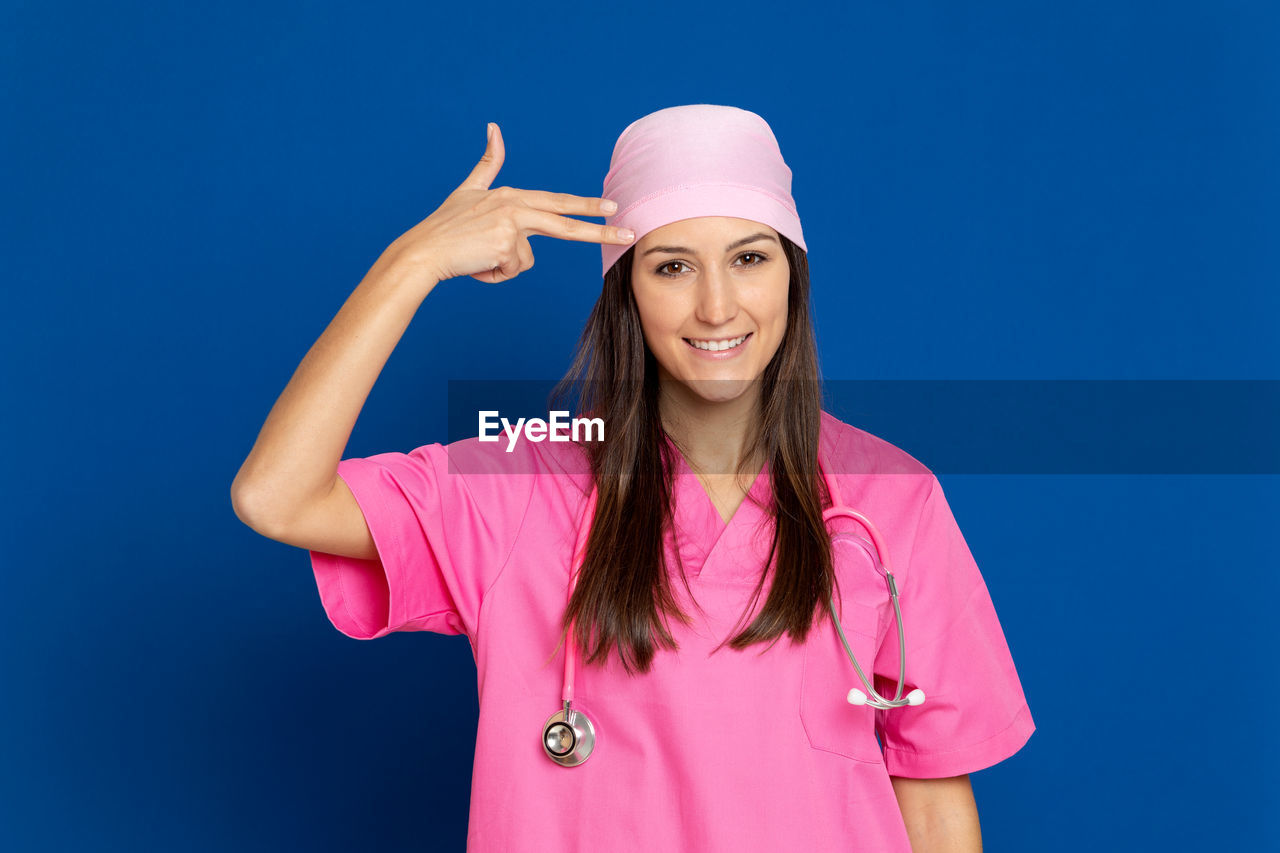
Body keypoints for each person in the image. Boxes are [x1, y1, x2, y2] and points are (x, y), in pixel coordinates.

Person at [231, 104, 1035, 852]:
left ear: (792, 274)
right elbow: (275, 495)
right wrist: (414, 262)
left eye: (749, 259)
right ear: (626, 291)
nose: (717, 306)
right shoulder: (520, 484)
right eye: (673, 266)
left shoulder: (890, 497)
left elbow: (931, 791)